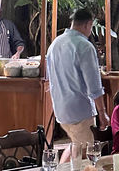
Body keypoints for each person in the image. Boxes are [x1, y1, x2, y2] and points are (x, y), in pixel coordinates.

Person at [46, 8, 109, 162]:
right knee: (85, 156)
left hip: (61, 109)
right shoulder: (84, 46)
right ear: (88, 24)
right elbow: (94, 86)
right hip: (80, 110)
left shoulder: (55, 44)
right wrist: (102, 113)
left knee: (76, 144)